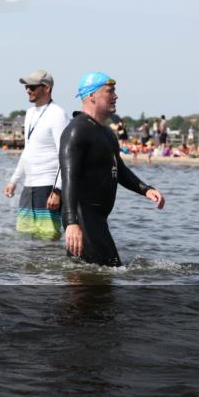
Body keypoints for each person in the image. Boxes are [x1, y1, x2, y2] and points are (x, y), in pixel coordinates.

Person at [60, 72, 165, 266]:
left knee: (103, 277)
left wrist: (145, 188)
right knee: (98, 280)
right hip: (83, 220)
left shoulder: (107, 133)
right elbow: (69, 179)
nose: (116, 96)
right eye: (110, 91)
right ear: (92, 96)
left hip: (99, 220)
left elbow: (120, 170)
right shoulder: (76, 131)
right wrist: (71, 223)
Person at [4, 70, 69, 238]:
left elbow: (65, 155)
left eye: (32, 86)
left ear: (46, 88)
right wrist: (14, 180)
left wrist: (57, 190)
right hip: (29, 186)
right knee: (23, 236)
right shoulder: (29, 113)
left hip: (48, 187)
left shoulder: (58, 114)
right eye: (26, 86)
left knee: (48, 239)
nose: (27, 90)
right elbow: (28, 150)